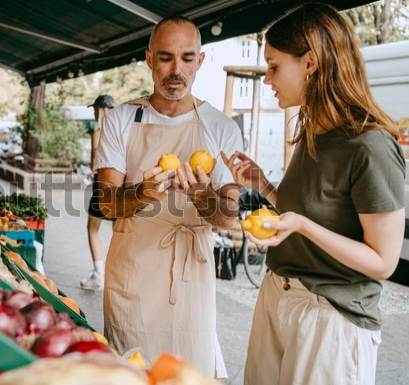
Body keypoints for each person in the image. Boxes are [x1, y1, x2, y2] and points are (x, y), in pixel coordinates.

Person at [221, 4, 405, 385]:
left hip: (331, 318)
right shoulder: (312, 130)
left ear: (310, 63)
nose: (267, 77)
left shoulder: (371, 146)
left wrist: (302, 226)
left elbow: (383, 262)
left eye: (274, 66)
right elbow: (302, 213)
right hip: (277, 295)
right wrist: (264, 186)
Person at [94, 16, 243, 379]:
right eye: (165, 58)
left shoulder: (221, 127)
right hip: (133, 277)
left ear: (201, 61)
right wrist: (143, 192)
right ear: (148, 59)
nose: (177, 70)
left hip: (191, 280)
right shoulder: (120, 119)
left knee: (187, 374)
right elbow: (107, 203)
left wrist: (201, 194)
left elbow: (228, 217)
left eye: (187, 58)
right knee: (130, 374)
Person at [80, 95, 117, 291]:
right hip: (119, 185)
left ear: (101, 111)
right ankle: (115, 275)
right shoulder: (122, 132)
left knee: (92, 229)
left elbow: (95, 163)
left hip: (102, 184)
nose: (94, 114)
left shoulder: (98, 131)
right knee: (117, 233)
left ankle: (98, 275)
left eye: (95, 110)